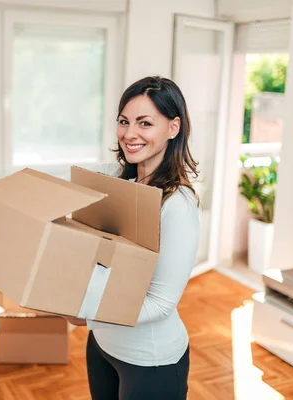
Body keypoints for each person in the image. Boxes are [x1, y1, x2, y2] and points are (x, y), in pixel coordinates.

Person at [66, 76, 201, 400]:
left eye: (145, 123)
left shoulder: (177, 205)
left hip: (150, 360)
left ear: (173, 127)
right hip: (102, 344)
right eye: (124, 121)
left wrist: (89, 315)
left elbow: (161, 303)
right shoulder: (116, 182)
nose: (129, 134)